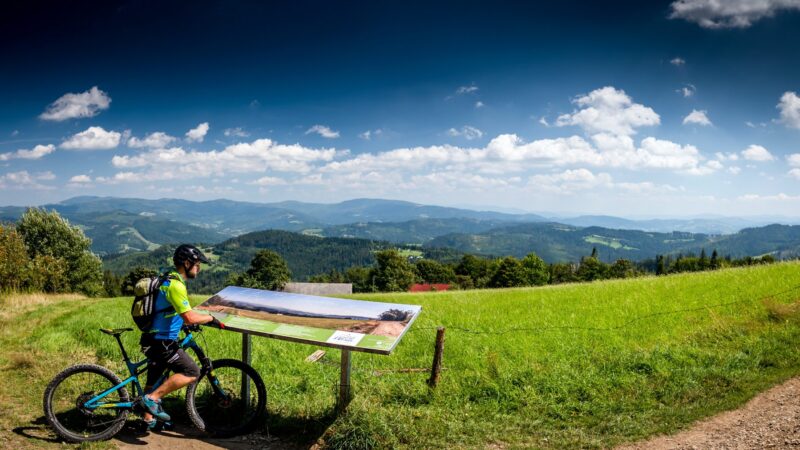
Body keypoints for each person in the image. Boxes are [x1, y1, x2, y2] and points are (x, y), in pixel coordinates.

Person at [137, 244, 224, 427]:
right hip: (162, 342)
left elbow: (172, 312)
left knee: (155, 377)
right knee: (192, 371)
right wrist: (210, 318)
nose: (199, 267)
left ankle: (148, 418)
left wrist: (183, 324)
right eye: (197, 264)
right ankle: (152, 400)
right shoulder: (175, 285)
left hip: (153, 339)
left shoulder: (168, 279)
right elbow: (190, 316)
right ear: (186, 263)